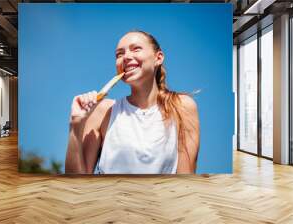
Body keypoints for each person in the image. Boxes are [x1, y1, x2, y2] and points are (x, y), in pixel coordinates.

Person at [65, 30, 200, 174]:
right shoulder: (103, 111)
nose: (126, 57)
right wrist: (76, 124)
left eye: (136, 49)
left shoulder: (182, 106)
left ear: (158, 58)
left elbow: (186, 181)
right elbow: (77, 183)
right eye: (119, 54)